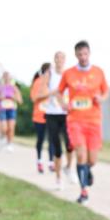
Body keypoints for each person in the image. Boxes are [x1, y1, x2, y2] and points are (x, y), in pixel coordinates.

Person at [56, 41, 109, 204]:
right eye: (80, 54)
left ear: (89, 53)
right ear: (76, 55)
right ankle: (83, 191)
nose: (83, 57)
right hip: (75, 120)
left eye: (85, 54)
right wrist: (63, 104)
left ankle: (87, 170)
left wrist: (101, 98)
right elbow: (59, 92)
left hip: (93, 120)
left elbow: (106, 91)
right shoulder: (69, 73)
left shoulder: (98, 72)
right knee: (80, 154)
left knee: (92, 160)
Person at [36, 51, 77, 191]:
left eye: (62, 58)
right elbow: (39, 95)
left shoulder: (69, 74)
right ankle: (58, 178)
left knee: (71, 144)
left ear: (65, 60)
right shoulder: (50, 74)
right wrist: (51, 93)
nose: (59, 60)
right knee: (57, 149)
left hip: (66, 114)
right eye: (57, 58)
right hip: (52, 114)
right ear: (54, 60)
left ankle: (68, 169)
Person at [31, 63, 51, 173]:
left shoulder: (54, 83)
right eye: (49, 71)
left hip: (52, 115)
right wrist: (47, 95)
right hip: (39, 116)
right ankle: (39, 161)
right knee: (41, 139)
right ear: (45, 71)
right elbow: (34, 98)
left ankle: (51, 162)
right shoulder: (38, 82)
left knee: (53, 140)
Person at [0, 71, 23, 150]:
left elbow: (20, 101)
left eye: (8, 76)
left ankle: (9, 144)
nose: (7, 78)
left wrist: (13, 97)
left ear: (10, 78)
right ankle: (3, 137)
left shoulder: (14, 87)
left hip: (11, 109)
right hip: (2, 109)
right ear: (3, 77)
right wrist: (0, 97)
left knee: (11, 127)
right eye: (5, 76)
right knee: (4, 128)